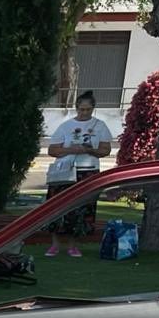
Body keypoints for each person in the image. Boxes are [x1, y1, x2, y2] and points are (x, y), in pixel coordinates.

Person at [44, 90, 111, 257]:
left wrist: (91, 151)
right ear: (76, 108)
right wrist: (70, 149)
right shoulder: (66, 126)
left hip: (87, 171)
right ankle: (54, 244)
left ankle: (73, 245)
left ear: (93, 109)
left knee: (82, 208)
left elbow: (105, 150)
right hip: (65, 170)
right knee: (57, 206)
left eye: (88, 110)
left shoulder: (100, 126)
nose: (84, 113)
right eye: (81, 109)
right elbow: (52, 149)